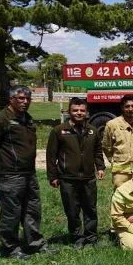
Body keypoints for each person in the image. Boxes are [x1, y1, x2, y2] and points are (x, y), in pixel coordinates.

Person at [0, 85, 51, 259]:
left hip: (28, 173)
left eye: (27, 99)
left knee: (32, 210)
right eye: (20, 98)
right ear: (11, 99)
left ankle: (34, 243)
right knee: (11, 213)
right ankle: (10, 248)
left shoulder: (26, 118)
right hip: (8, 175)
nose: (25, 102)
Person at [46, 97, 105, 249]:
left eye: (82, 110)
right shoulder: (59, 131)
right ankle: (77, 237)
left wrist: (100, 167)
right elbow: (51, 156)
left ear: (86, 112)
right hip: (68, 178)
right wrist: (53, 176)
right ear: (69, 111)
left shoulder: (93, 130)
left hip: (88, 177)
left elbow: (98, 151)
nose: (79, 113)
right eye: (75, 110)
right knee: (72, 209)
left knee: (90, 208)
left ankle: (91, 237)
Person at [103, 94, 133, 188]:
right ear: (122, 107)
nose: (130, 109)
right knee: (121, 199)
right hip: (121, 172)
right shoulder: (112, 125)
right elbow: (107, 147)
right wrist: (114, 160)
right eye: (127, 106)